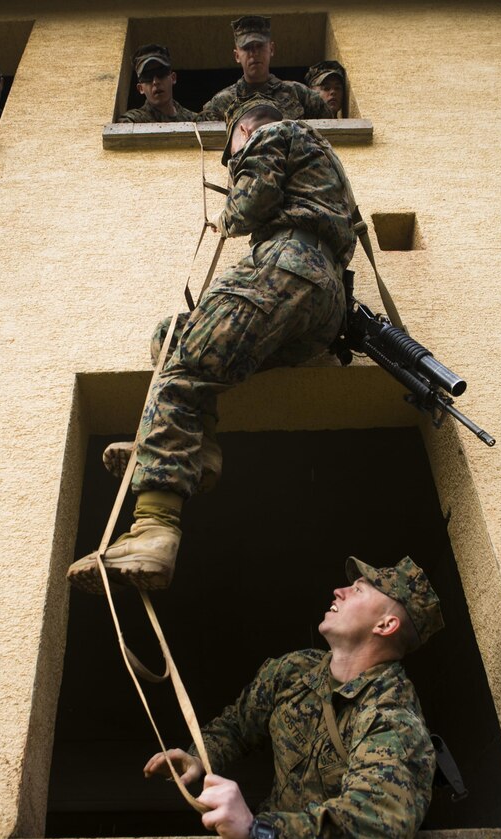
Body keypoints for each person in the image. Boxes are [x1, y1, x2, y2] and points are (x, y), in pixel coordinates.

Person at [67, 96, 355, 595]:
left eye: (231, 150)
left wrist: (230, 207)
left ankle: (153, 530)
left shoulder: (271, 135)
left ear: (242, 131)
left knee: (179, 377)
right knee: (174, 336)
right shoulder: (326, 163)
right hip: (323, 304)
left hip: (283, 266)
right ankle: (194, 449)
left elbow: (250, 206)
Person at [144, 554, 444, 839]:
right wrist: (199, 757)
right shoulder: (293, 671)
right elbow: (236, 726)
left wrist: (257, 833)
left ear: (385, 624)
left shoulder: (391, 712)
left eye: (358, 590)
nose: (338, 591)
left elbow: (377, 821)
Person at [198, 16, 332, 121]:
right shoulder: (222, 102)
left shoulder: (299, 94)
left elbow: (331, 132)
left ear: (271, 49)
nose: (254, 53)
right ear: (237, 55)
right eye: (247, 48)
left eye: (260, 46)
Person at [118, 44, 197, 124]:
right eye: (147, 76)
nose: (155, 82)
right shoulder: (133, 121)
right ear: (140, 88)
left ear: (173, 78)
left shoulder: (194, 121)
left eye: (161, 73)